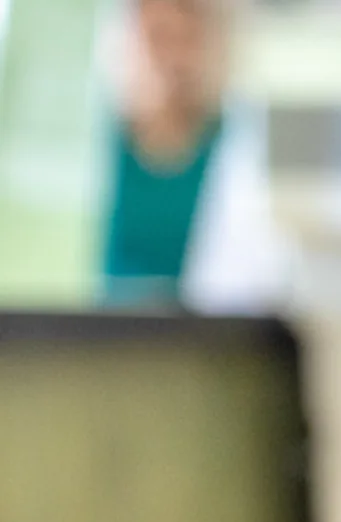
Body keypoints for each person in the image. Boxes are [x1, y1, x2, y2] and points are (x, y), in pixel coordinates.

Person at [99, 0, 285, 313]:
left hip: (200, 340)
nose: (173, 58)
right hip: (106, 339)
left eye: (187, 38)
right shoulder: (104, 145)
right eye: (159, 36)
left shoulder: (237, 146)